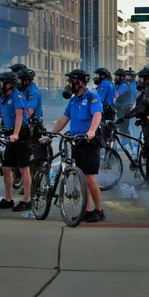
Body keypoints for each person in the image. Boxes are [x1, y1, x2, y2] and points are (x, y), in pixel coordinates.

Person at [49, 69, 105, 222]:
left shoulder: (92, 97)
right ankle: (87, 210)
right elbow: (64, 118)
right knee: (81, 177)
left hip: (89, 142)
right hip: (76, 142)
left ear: (80, 82)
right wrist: (52, 133)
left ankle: (99, 210)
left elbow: (97, 115)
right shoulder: (73, 100)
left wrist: (92, 131)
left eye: (72, 81)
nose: (69, 84)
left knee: (89, 177)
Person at [0, 71, 33, 212]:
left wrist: (16, 134)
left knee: (23, 168)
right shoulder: (3, 99)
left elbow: (19, 116)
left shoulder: (17, 96)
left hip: (21, 134)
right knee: (6, 168)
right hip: (11, 134)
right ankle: (8, 199)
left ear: (9, 84)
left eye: (1, 82)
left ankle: (27, 200)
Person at [116, 67, 149, 186]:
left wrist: (125, 117)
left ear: (148, 79)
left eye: (141, 78)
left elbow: (141, 107)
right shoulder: (144, 91)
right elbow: (142, 109)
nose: (139, 81)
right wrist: (141, 118)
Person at [113, 68, 134, 139]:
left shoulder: (124, 85)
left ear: (122, 77)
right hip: (119, 109)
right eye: (115, 76)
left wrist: (111, 102)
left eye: (117, 76)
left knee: (123, 129)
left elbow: (116, 95)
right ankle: (125, 144)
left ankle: (128, 145)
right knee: (119, 128)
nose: (116, 78)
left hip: (124, 110)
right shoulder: (118, 84)